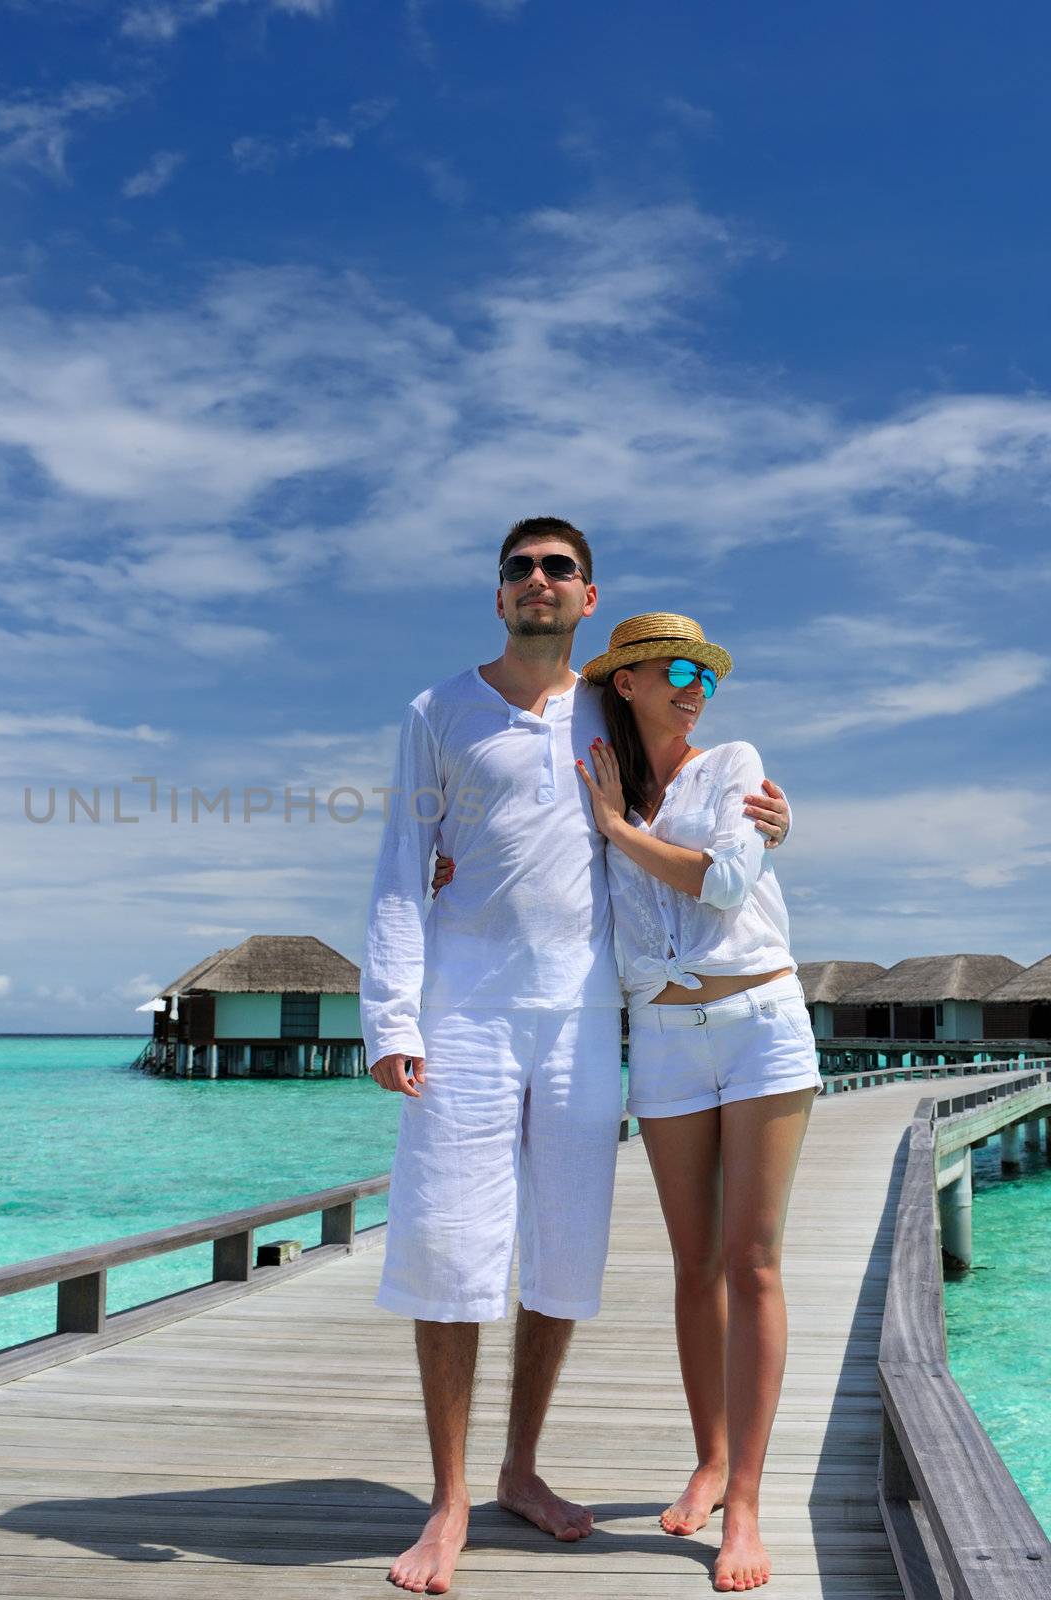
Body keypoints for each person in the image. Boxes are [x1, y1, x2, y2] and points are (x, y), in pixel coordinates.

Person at [361, 520, 792, 1597]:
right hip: (461, 1012)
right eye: (520, 568)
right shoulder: (436, 711)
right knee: (455, 1249)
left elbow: (695, 793)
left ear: (586, 598)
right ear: (497, 591)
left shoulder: (612, 709)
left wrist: (769, 821)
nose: (537, 583)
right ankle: (449, 1499)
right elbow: (400, 867)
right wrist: (390, 1019)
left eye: (557, 569)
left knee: (562, 1248)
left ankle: (518, 1469)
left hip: (587, 1018)